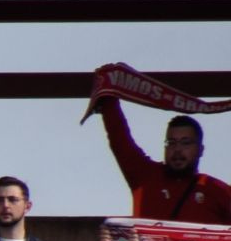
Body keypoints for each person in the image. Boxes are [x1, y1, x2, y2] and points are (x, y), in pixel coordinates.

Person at [93, 94, 231, 226]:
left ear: (200, 150)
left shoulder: (218, 190)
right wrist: (108, 99)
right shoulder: (146, 177)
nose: (177, 149)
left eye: (186, 143)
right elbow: (120, 139)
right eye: (171, 142)